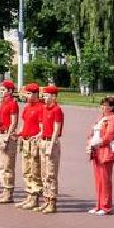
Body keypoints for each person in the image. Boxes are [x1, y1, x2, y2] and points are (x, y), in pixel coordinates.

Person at [86, 97, 114, 215]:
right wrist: (90, 142)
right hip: (96, 151)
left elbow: (109, 135)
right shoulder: (100, 118)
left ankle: (106, 207)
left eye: (105, 105)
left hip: (106, 151)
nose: (103, 107)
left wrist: (98, 142)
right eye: (102, 105)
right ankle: (98, 205)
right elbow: (92, 133)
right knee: (98, 180)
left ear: (111, 107)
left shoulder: (113, 119)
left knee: (105, 180)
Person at [36, 84, 65, 213]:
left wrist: (51, 146)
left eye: (47, 95)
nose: (44, 97)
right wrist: (39, 135)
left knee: (51, 174)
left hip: (51, 143)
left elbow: (56, 130)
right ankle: (46, 200)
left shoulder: (57, 110)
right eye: (44, 95)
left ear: (54, 96)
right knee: (43, 174)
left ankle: (52, 202)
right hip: (43, 141)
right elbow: (43, 126)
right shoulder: (44, 108)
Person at [0, 81, 20, 204]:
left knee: (8, 166)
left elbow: (13, 122)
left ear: (10, 91)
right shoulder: (3, 103)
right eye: (1, 90)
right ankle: (4, 190)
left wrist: (8, 136)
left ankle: (9, 192)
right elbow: (2, 121)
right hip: (2, 134)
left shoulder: (13, 104)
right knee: (1, 165)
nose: (1, 92)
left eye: (4, 90)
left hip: (8, 136)